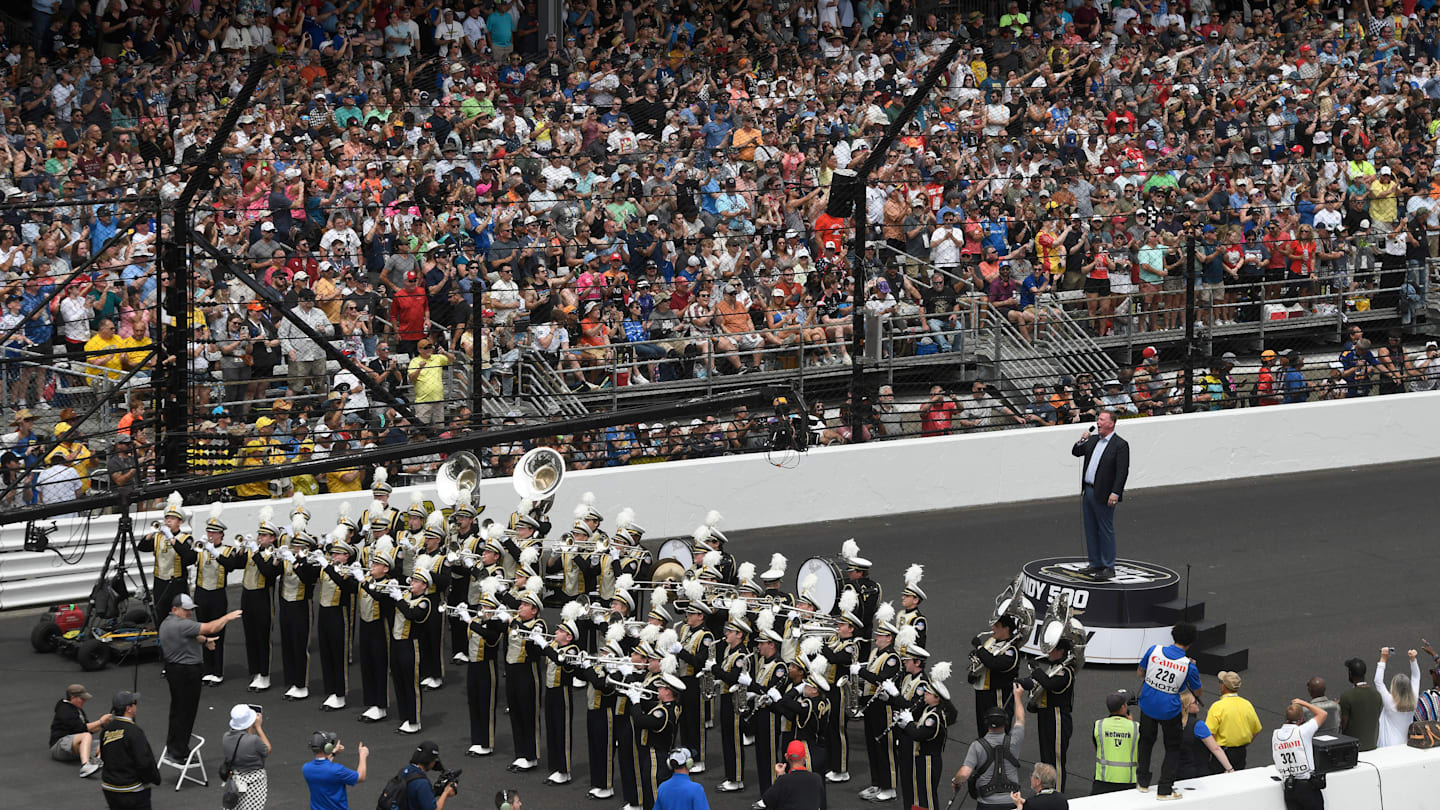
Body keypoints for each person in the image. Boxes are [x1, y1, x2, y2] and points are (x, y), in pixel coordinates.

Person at [158, 594, 242, 764]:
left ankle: (175, 745)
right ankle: (179, 751)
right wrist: (227, 617)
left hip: (174, 669)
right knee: (186, 712)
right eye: (186, 610)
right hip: (187, 672)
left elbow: (191, 635)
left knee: (178, 710)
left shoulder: (167, 623)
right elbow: (211, 627)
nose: (189, 613)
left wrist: (204, 641)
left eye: (190, 610)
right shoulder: (181, 625)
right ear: (175, 610)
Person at [1135, 622, 1202, 800]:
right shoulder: (1188, 665)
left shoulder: (1153, 650)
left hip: (1148, 704)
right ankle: (1164, 789)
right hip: (1169, 710)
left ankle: (1142, 782)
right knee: (1172, 748)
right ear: (1190, 644)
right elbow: (1198, 691)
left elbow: (1140, 673)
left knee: (1146, 742)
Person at [1069, 410, 1129, 580]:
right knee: (1090, 528)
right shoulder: (1093, 440)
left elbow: (1122, 472)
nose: (1098, 423)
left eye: (1102, 420)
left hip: (1104, 493)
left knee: (1105, 529)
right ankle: (1095, 563)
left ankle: (1109, 566)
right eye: (1098, 420)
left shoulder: (1120, 445)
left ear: (1111, 423)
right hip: (1088, 491)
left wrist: (1115, 492)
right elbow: (1076, 452)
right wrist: (1082, 439)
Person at [952, 685, 1027, 807]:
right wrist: (1017, 696)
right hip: (1012, 801)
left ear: (986, 723)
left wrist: (956, 782)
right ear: (1006, 722)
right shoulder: (1014, 740)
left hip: (987, 804)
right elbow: (1020, 719)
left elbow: (964, 774)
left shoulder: (977, 746)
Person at [99, 691, 161, 810]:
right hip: (131, 789)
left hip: (109, 787)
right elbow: (144, 761)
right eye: (135, 703)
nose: (136, 706)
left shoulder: (106, 730)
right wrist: (154, 778)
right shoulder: (134, 732)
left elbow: (104, 756)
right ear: (129, 708)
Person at [1273, 698, 1328, 810]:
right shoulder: (1303, 731)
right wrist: (1304, 703)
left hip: (1289, 787)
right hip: (1307, 786)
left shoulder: (1276, 734)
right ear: (1301, 719)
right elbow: (1322, 713)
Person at [1206, 670, 1263, 772]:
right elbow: (1256, 729)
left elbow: (1210, 734)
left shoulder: (1217, 707)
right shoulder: (1247, 704)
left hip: (1222, 753)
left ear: (1223, 686)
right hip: (1241, 753)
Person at [49, 683, 109, 777]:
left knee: (106, 742)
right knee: (86, 736)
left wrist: (104, 724)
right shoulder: (64, 710)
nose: (84, 701)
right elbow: (82, 729)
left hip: (74, 746)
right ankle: (85, 766)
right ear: (73, 697)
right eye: (82, 699)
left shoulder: (78, 710)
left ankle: (97, 761)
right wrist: (101, 721)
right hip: (59, 746)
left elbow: (90, 730)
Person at [221, 704, 271, 810]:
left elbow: (242, 738)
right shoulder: (253, 740)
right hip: (255, 780)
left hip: (235, 778)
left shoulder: (226, 737)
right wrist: (258, 727)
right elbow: (267, 749)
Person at [301, 731, 367, 810]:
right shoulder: (337, 770)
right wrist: (363, 755)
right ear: (327, 747)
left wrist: (333, 753)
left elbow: (323, 766)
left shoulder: (306, 768)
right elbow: (360, 777)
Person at [1091, 691, 1139, 795]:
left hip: (1103, 780)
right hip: (1127, 781)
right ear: (1123, 707)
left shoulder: (1099, 725)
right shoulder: (1135, 727)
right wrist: (1129, 723)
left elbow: (1098, 746)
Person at [391, 740, 459, 810]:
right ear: (431, 761)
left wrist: (435, 792)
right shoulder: (422, 783)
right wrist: (446, 792)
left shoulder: (404, 771)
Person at [1374, 647, 1421, 748]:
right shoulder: (1413, 700)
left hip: (1387, 745)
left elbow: (1378, 682)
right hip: (1407, 743)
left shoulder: (1390, 702)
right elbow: (1416, 677)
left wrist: (1383, 658)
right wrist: (1413, 660)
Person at [762, 740, 826, 810]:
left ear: (786, 757)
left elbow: (766, 801)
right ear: (805, 758)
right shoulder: (817, 778)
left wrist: (780, 777)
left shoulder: (783, 780)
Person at [1339, 657, 1383, 751]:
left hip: (1352, 748)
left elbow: (1343, 725)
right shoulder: (1377, 695)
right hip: (1372, 746)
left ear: (1350, 674)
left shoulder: (1347, 696)